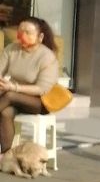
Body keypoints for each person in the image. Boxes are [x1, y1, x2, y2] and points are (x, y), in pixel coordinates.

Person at [0, 16, 61, 156]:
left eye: (28, 32)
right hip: (12, 98)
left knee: (9, 94)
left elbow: (42, 89)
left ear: (40, 37)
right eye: (20, 31)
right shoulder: (11, 49)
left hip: (40, 101)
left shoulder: (47, 56)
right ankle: (6, 156)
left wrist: (14, 87)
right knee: (5, 112)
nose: (22, 35)